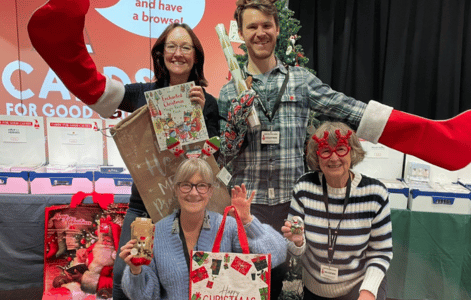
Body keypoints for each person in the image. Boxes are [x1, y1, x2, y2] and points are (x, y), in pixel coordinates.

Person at [217, 1, 471, 297]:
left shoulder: (300, 80)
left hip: (292, 207)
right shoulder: (229, 90)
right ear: (241, 34)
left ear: (277, 28)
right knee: (247, 290)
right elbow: (226, 155)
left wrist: (421, 131)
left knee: (288, 288)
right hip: (248, 209)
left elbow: (346, 107)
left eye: (266, 25)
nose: (260, 33)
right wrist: (234, 123)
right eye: (252, 27)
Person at [27, 4, 220, 299]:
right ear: (161, 54)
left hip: (185, 208)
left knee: (178, 278)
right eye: (171, 46)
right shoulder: (141, 93)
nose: (177, 53)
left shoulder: (207, 102)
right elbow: (97, 92)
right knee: (122, 275)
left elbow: (213, 159)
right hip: (142, 204)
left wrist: (200, 113)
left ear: (195, 56)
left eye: (185, 47)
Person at [119, 157, 287, 300]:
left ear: (211, 191)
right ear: (176, 189)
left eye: (201, 186)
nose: (193, 193)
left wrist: (248, 221)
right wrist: (135, 270)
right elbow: (144, 296)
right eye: (186, 185)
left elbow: (277, 255)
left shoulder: (227, 226)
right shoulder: (157, 232)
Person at [282, 122, 393, 300]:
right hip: (314, 289)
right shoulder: (304, 187)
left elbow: (381, 252)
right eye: (325, 151)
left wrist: (368, 292)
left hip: (359, 287)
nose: (334, 158)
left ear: (352, 151)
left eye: (341, 149)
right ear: (317, 157)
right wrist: (297, 243)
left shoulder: (374, 193)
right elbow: (294, 250)